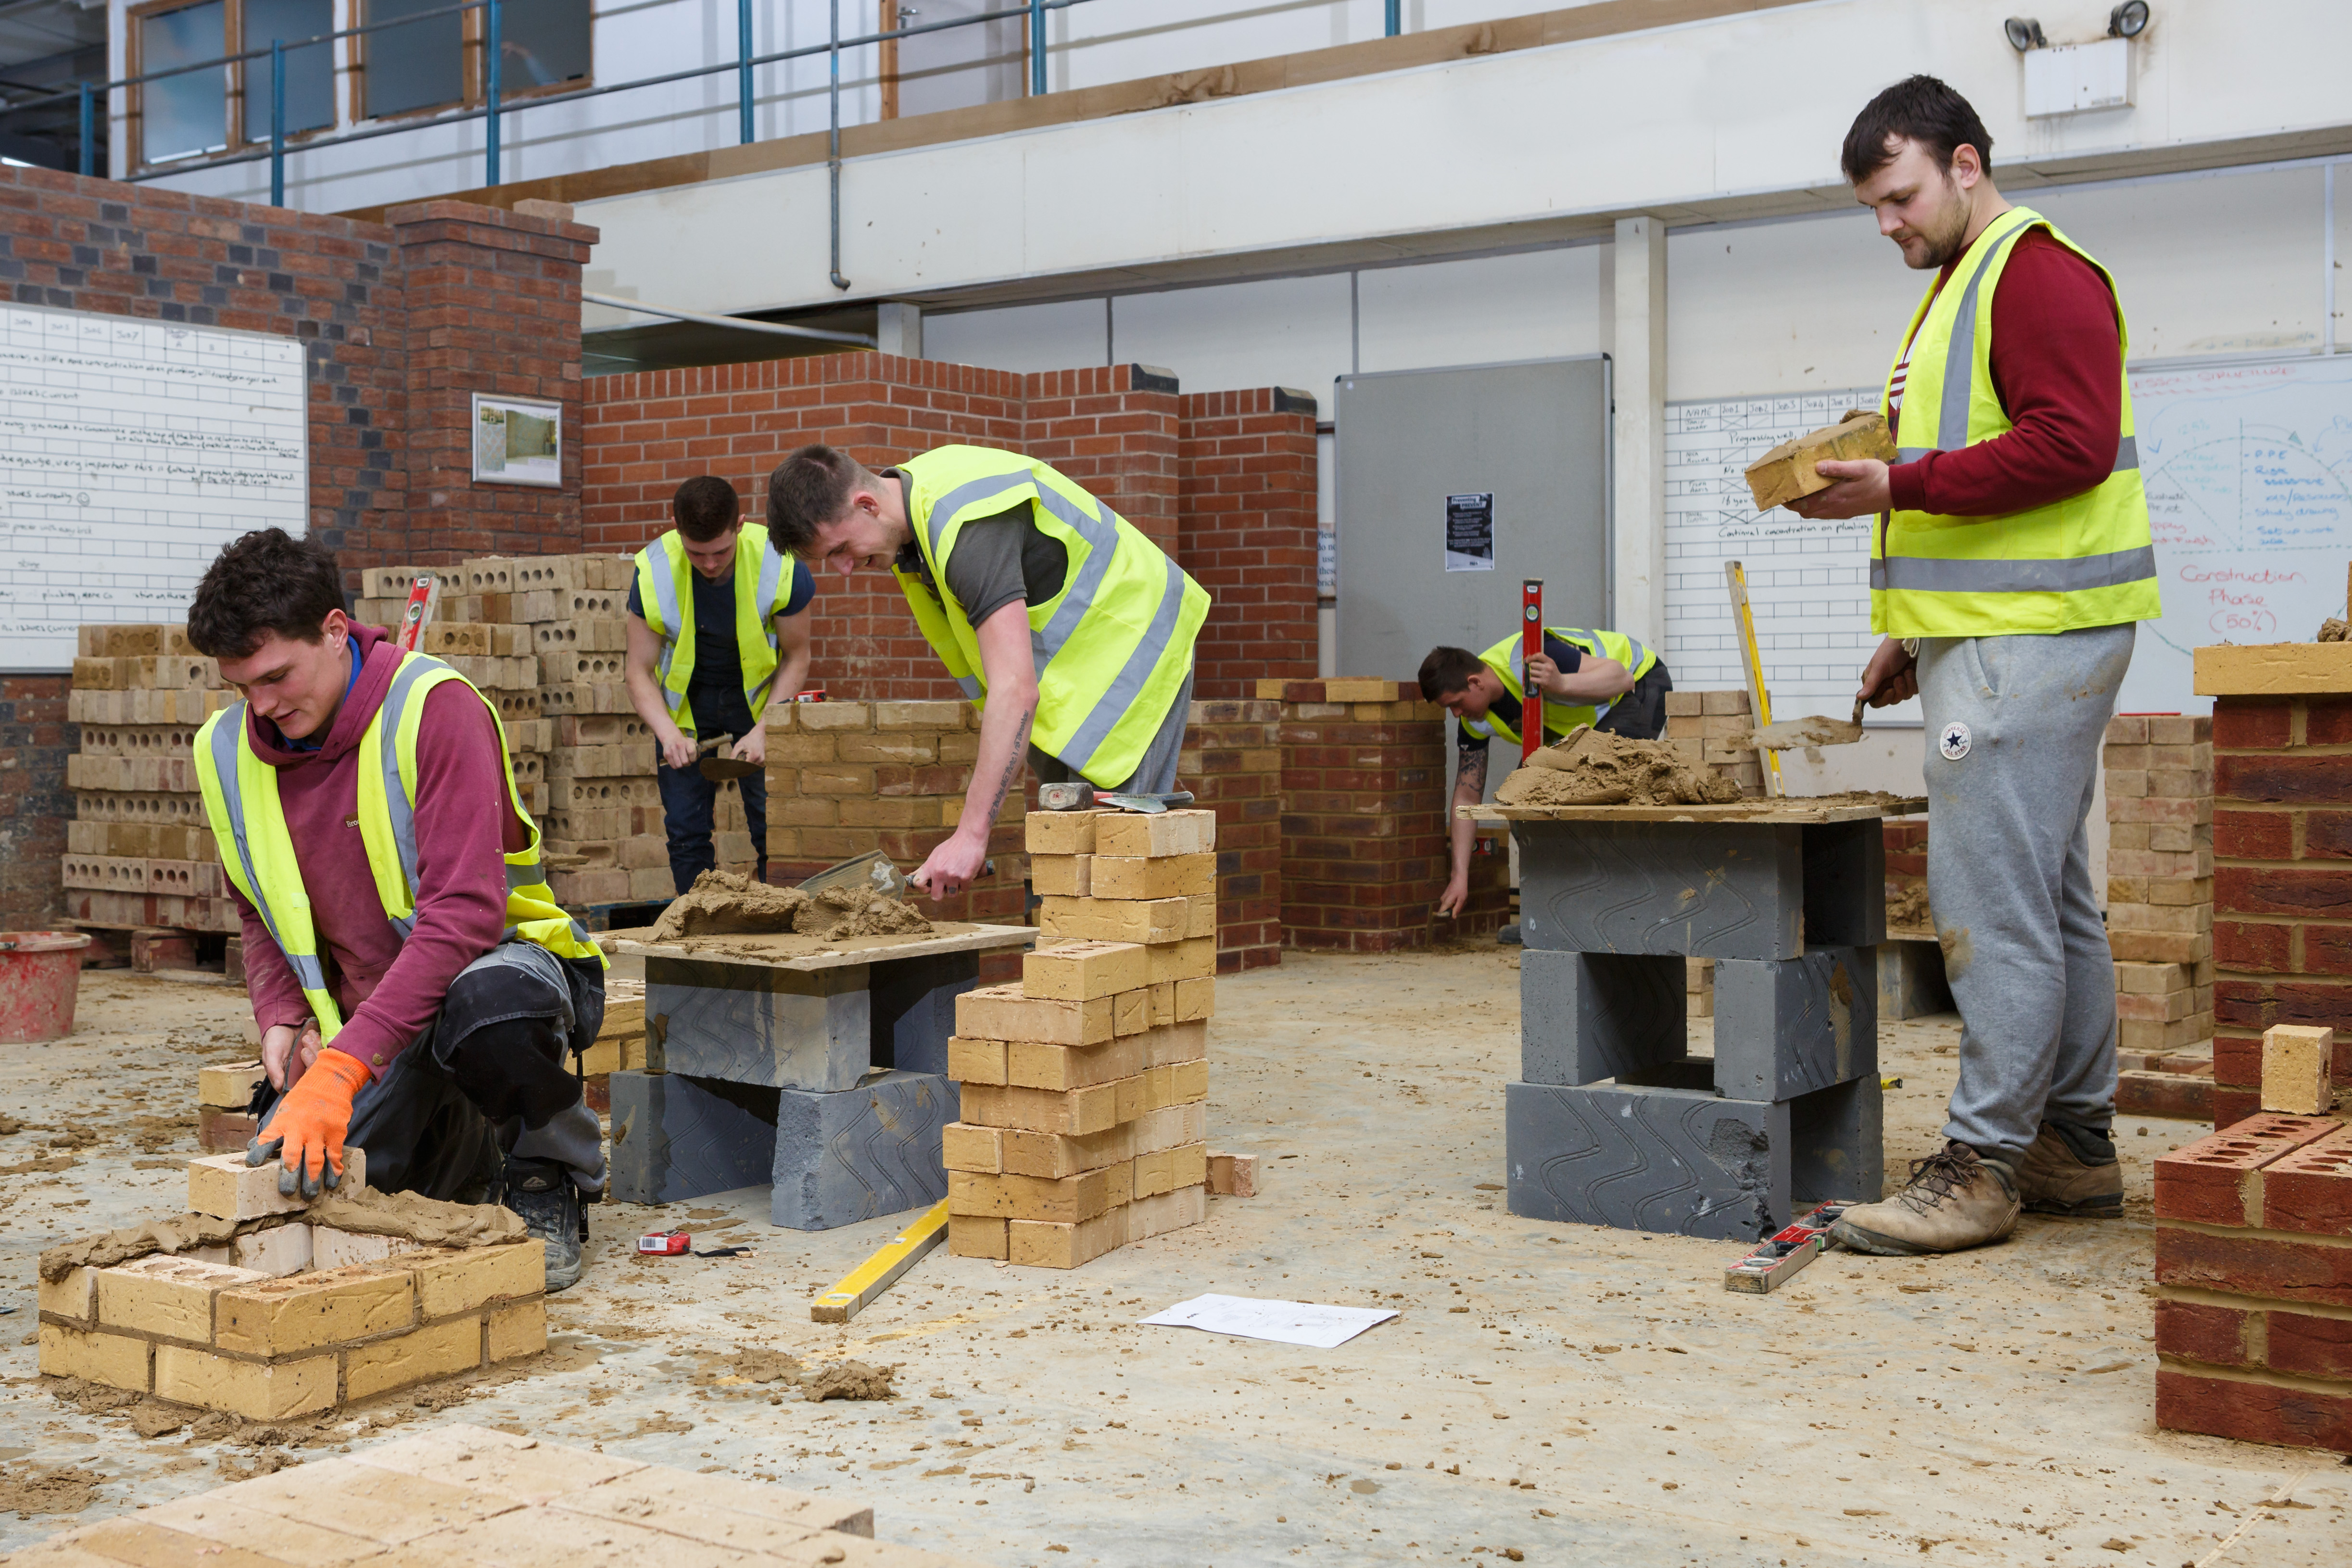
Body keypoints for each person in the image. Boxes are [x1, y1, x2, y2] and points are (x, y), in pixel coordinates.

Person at [1785, 76, 2161, 1256]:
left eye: (1897, 196)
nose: (1886, 223)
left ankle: (1983, 1162)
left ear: (1963, 163)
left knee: (1988, 905)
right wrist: (1921, 627)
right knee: (2045, 897)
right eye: (1871, 207)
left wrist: (1890, 487)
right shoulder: (1961, 286)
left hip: (2032, 641)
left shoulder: (2031, 270)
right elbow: (1990, 467)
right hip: (2000, 634)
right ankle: (2071, 1143)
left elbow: (2068, 444)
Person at [188, 530, 610, 1291]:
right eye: (242, 686)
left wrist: (345, 1068)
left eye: (277, 677)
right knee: (299, 1197)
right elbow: (257, 908)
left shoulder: (433, 708)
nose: (263, 705)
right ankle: (463, 1146)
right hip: (376, 1019)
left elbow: (463, 918)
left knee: (490, 1011)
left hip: (507, 972)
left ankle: (549, 1176)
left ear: (335, 630)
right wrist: (283, 1016)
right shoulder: (225, 749)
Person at [763, 443, 1209, 899]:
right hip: (1075, 682)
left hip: (1131, 652)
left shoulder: (966, 528)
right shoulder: (911, 520)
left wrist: (971, 836)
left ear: (867, 504)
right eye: (826, 560)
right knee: (1071, 862)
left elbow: (1015, 690)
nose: (843, 570)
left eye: (840, 549)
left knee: (1114, 876)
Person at [623, 476, 816, 894]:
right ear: (677, 531)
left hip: (759, 703)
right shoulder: (653, 571)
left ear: (741, 525)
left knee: (773, 828)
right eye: (697, 553)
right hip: (687, 710)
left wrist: (765, 729)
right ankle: (700, 928)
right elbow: (637, 670)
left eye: (721, 552)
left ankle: (780, 930)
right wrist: (668, 734)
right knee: (686, 833)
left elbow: (797, 657)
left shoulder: (778, 562)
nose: (710, 564)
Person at [1418, 627, 1670, 924]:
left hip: (1641, 684)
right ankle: (1552, 915)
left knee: (1597, 787)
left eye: (1455, 704)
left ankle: (1613, 910)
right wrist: (1460, 876)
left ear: (1475, 683)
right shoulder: (1477, 721)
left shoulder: (1530, 656)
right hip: (1585, 724)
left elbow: (1622, 677)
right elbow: (1466, 795)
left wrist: (1561, 682)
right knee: (1522, 801)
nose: (1457, 715)